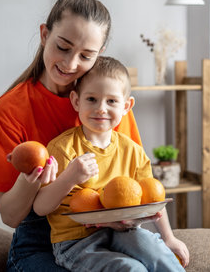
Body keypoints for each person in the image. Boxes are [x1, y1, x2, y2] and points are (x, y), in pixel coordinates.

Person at [0, 0, 154, 271]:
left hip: (108, 237)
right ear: (45, 35)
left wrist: (133, 219)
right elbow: (9, 216)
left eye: (86, 55)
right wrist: (31, 180)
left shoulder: (109, 106)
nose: (71, 64)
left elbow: (135, 186)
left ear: (100, 53)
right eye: (63, 47)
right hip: (39, 244)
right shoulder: (8, 112)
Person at [33, 56, 189, 271]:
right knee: (130, 268)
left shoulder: (132, 150)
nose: (101, 109)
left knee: (155, 250)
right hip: (75, 242)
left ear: (127, 106)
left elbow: (152, 195)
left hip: (123, 232)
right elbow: (40, 208)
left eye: (111, 101)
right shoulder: (62, 148)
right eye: (91, 99)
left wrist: (168, 237)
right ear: (76, 101)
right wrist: (69, 177)